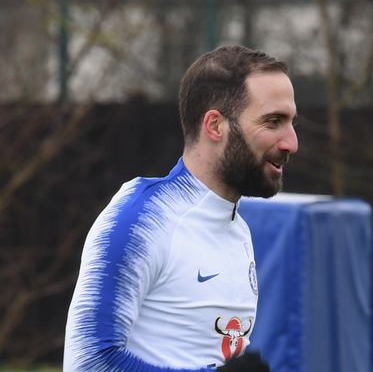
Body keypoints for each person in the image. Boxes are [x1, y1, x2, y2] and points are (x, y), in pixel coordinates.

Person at [63, 45, 298, 371]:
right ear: (215, 126)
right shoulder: (142, 218)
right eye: (273, 122)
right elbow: (89, 363)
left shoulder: (238, 230)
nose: (291, 142)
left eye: (290, 122)